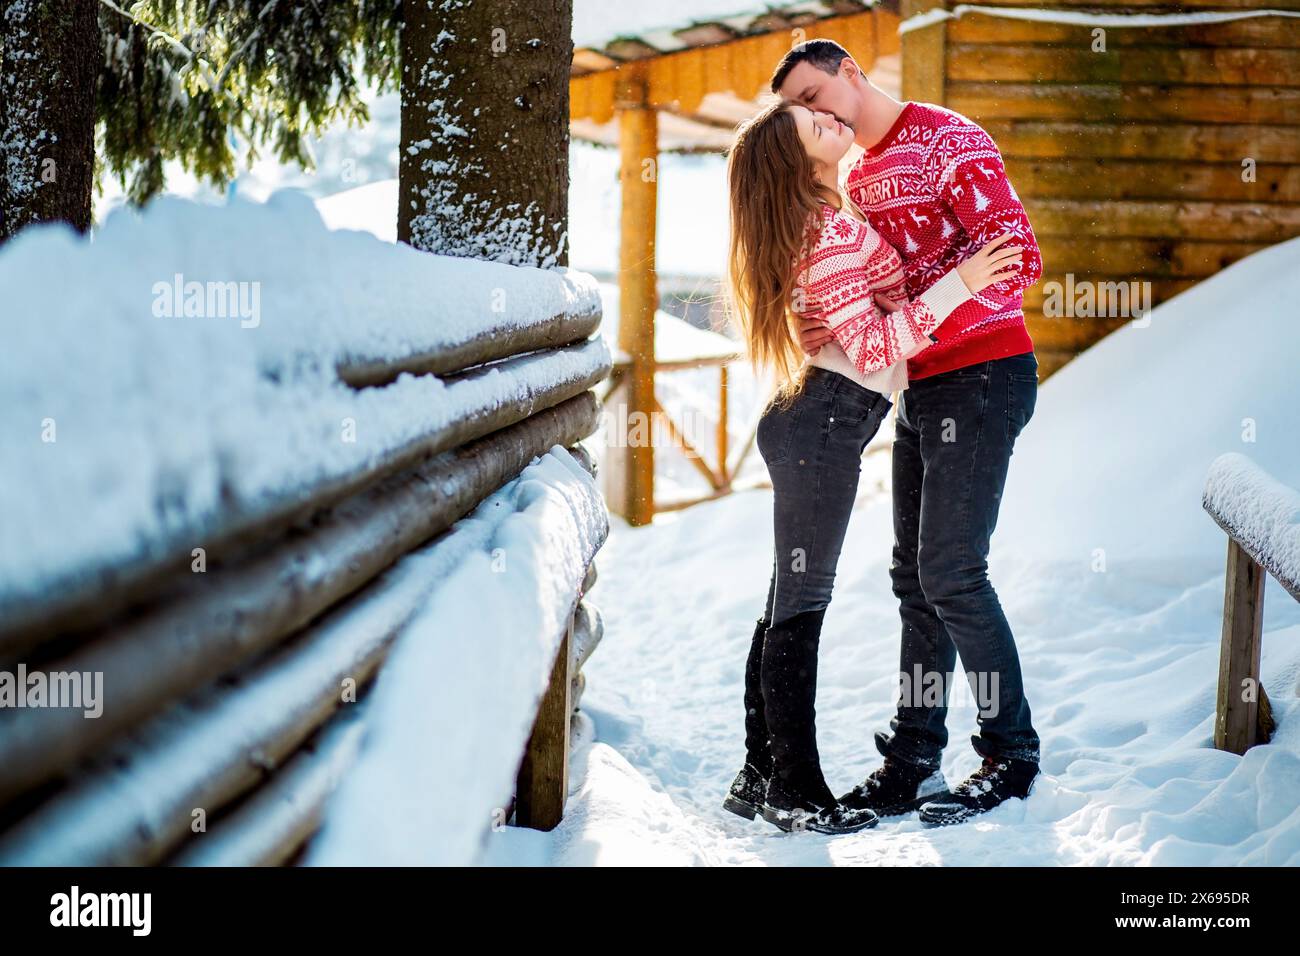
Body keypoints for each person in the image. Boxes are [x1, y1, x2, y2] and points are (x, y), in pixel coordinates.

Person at [722, 97, 1023, 834]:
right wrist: (965, 281)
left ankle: (762, 774)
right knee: (800, 604)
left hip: (823, 421)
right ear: (796, 161)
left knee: (787, 599)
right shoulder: (820, 231)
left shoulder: (831, 210)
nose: (832, 125)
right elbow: (878, 349)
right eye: (814, 128)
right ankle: (794, 788)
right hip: (822, 424)